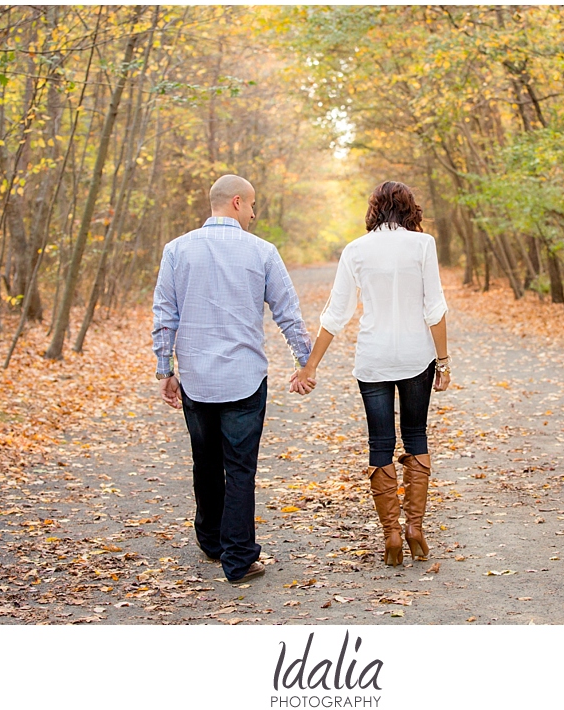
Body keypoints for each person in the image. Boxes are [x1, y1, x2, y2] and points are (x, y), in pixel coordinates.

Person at [152, 174, 313, 584]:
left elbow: (164, 315)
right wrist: (304, 361)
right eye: (254, 205)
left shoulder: (176, 250)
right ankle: (238, 558)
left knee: (204, 462)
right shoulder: (261, 252)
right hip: (243, 378)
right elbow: (287, 312)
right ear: (237, 202)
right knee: (240, 467)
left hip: (197, 378)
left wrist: (164, 369)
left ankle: (210, 540)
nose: (256, 214)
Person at [290, 181, 450, 566]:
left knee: (380, 442)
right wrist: (443, 361)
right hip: (416, 356)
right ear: (410, 208)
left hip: (374, 359)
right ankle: (415, 527)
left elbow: (337, 312)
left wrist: (310, 365)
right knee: (415, 435)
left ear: (375, 209)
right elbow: (435, 308)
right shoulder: (422, 245)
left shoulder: (356, 250)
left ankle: (392, 535)